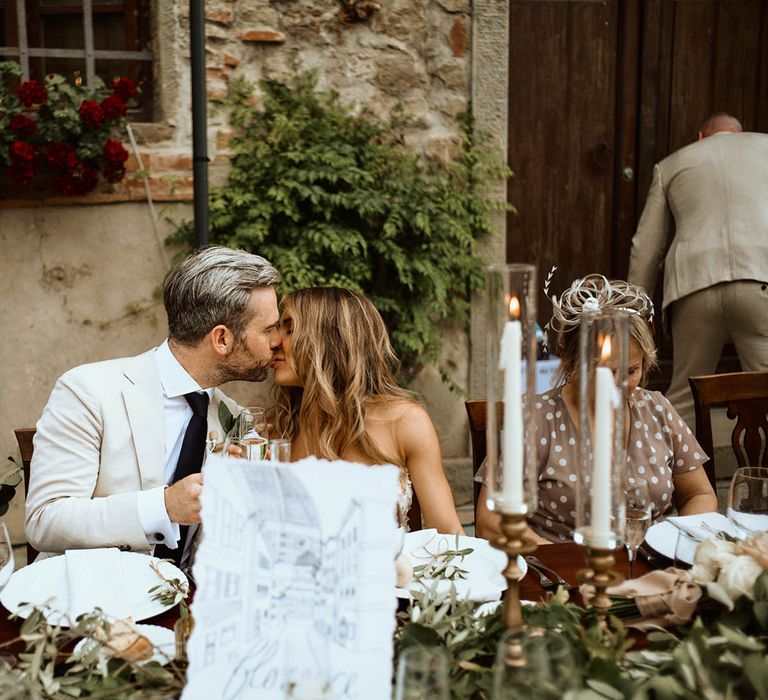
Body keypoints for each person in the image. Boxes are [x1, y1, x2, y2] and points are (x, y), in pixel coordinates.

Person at [25, 246, 282, 564]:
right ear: (222, 339)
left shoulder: (237, 420)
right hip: (85, 602)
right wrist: (164, 507)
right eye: (269, 328)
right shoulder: (88, 391)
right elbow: (45, 521)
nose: (277, 340)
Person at [475, 274, 718, 543]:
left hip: (650, 564)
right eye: (606, 372)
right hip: (564, 575)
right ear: (569, 361)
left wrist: (669, 546)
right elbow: (491, 521)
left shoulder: (656, 409)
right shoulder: (535, 420)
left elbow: (700, 495)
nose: (620, 384)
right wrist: (561, 560)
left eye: (632, 370)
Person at [271, 286, 463, 534]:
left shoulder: (404, 422)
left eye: (290, 328)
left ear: (330, 340)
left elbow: (449, 535)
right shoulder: (278, 427)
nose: (274, 341)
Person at [628, 114, 768, 426]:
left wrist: (637, 311)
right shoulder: (765, 148)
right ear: (741, 135)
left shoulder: (672, 164)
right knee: (765, 390)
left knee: (685, 392)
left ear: (701, 137)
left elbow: (646, 245)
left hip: (694, 284)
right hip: (759, 277)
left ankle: (666, 473)